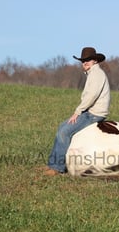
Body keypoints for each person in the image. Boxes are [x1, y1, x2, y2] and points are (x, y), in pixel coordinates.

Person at [44, 47, 110, 176]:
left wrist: (78, 112)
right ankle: (53, 165)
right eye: (83, 60)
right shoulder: (93, 73)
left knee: (64, 131)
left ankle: (57, 168)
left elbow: (91, 96)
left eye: (88, 60)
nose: (84, 63)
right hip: (91, 112)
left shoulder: (96, 74)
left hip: (94, 114)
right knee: (62, 126)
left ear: (95, 61)